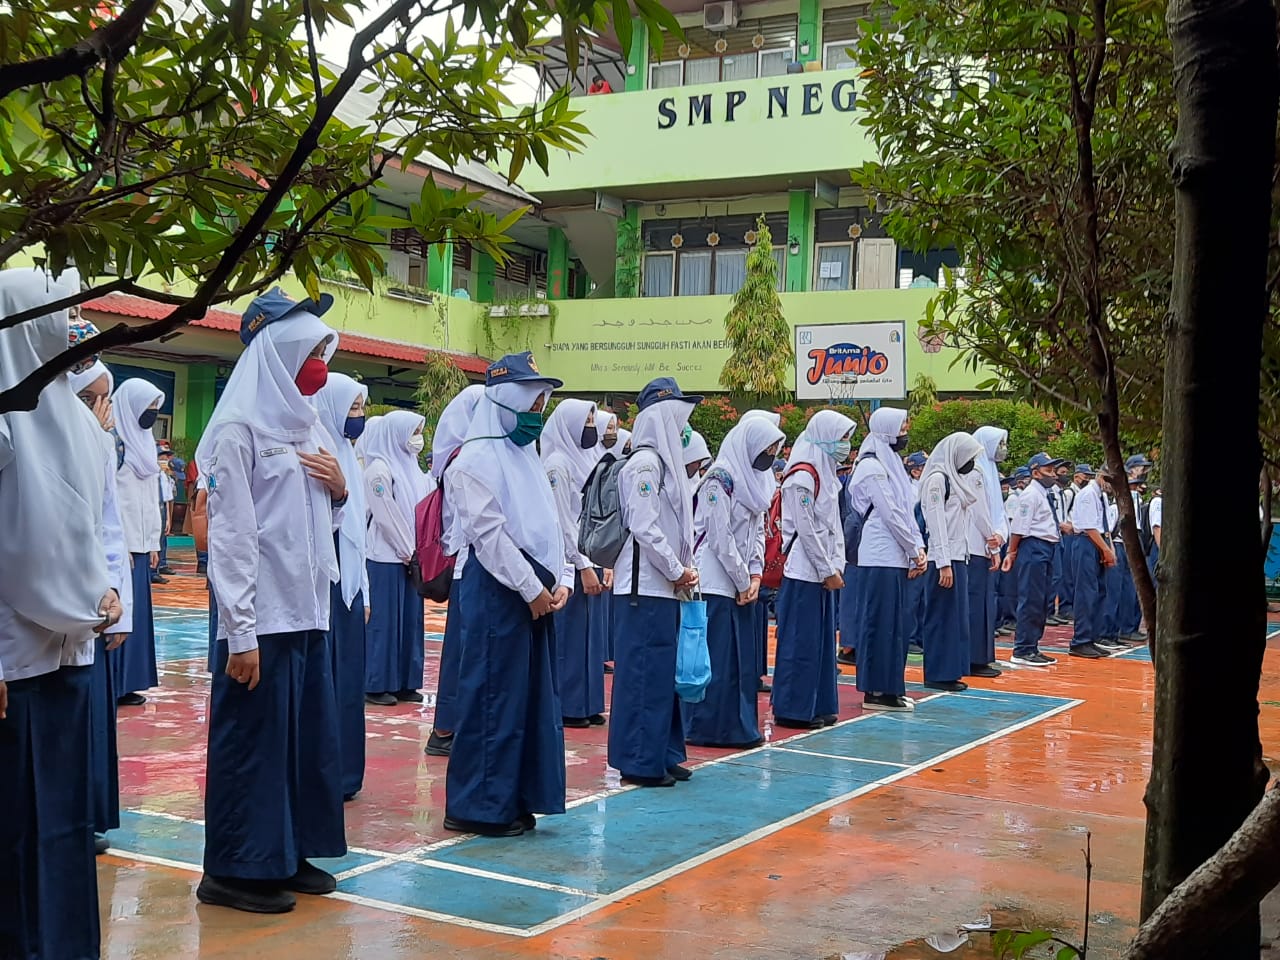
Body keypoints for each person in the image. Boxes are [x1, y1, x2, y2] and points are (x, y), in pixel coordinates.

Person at [195, 287, 348, 913]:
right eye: (310, 351)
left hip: (307, 612)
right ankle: (235, 869)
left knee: (302, 741)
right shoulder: (238, 431)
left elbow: (319, 520)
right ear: (279, 354)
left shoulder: (306, 424)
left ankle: (289, 851)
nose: (321, 365)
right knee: (251, 742)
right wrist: (241, 633)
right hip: (260, 619)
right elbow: (231, 537)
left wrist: (340, 492)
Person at [0, 268, 124, 960]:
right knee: (15, 833)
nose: (71, 327)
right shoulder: (3, 418)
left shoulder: (75, 419)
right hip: (12, 659)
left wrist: (107, 592)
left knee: (62, 828)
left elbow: (92, 527)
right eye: (57, 312)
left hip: (71, 649)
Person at [445, 351, 571, 835]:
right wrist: (531, 587)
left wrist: (556, 580)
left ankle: (514, 797)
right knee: (492, 694)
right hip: (501, 590)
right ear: (505, 400)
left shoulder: (524, 456)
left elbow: (547, 525)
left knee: (523, 698)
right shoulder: (475, 459)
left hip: (532, 590)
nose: (537, 412)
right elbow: (490, 536)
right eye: (532, 401)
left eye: (542, 402)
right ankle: (477, 805)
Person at [609, 377, 701, 787]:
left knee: (663, 673)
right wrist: (675, 568)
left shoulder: (665, 464)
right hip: (643, 587)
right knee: (645, 674)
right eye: (679, 418)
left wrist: (682, 570)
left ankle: (663, 752)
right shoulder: (646, 463)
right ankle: (639, 760)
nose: (684, 429)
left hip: (663, 586)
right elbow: (644, 526)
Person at [685, 415, 784, 747]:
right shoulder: (719, 480)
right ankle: (706, 726)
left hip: (742, 584)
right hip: (715, 582)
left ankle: (737, 725)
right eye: (768, 446)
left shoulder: (756, 483)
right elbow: (719, 538)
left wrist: (755, 573)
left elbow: (758, 531)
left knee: (739, 662)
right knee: (716, 658)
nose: (770, 453)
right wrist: (743, 579)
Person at [69, 356, 134, 855]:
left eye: (102, 399)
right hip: (59, 611)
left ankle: (85, 816)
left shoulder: (100, 446)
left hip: (95, 605)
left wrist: (119, 600)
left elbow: (112, 528)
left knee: (88, 722)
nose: (100, 410)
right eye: (88, 399)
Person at [770, 409, 854, 728]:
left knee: (819, 645)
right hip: (804, 573)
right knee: (799, 645)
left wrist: (836, 565)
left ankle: (817, 704)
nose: (846, 444)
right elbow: (806, 530)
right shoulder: (801, 477)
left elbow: (832, 526)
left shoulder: (826, 473)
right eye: (842, 437)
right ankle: (792, 708)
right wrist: (826, 569)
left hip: (823, 573)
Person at [313, 373, 372, 800]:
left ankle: (347, 774)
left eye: (362, 409)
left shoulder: (351, 458)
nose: (359, 417)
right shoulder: (320, 455)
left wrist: (365, 591)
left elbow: (360, 535)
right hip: (323, 584)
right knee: (324, 681)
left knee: (349, 682)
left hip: (349, 588)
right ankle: (323, 771)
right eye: (352, 409)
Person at [849, 408, 926, 711]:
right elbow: (890, 513)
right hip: (879, 554)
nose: (905, 430)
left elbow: (907, 512)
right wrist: (913, 549)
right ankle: (876, 690)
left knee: (895, 625)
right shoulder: (871, 466)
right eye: (902, 425)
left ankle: (892, 687)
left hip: (895, 556)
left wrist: (917, 548)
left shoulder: (892, 463)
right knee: (878, 624)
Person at [424, 385, 485, 759]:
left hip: (470, 562)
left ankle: (452, 724)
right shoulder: (465, 460)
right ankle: (446, 726)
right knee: (463, 651)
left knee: (464, 650)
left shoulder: (464, 457)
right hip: (468, 564)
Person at [541, 398, 608, 728]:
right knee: (569, 634)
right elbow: (562, 520)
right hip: (568, 561)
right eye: (587, 421)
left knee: (588, 635)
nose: (592, 428)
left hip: (588, 556)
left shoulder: (586, 458)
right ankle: (568, 704)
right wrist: (581, 564)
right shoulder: (556, 464)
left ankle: (587, 702)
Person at [361, 411, 432, 706]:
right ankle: (377, 683)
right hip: (385, 557)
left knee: (410, 621)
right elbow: (386, 515)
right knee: (384, 622)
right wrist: (407, 551)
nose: (417, 437)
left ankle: (406, 681)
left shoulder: (412, 469)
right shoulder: (379, 469)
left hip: (413, 558)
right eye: (413, 430)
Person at [919, 433, 997, 692]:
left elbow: (974, 514)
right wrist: (943, 562)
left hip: (958, 557)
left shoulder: (958, 482)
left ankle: (951, 670)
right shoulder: (937, 481)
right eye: (968, 456)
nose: (971, 462)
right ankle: (938, 673)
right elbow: (936, 523)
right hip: (944, 559)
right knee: (941, 617)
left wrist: (990, 538)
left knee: (955, 618)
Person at [111, 376, 165, 706]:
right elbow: (112, 502)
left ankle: (131, 680)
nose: (152, 414)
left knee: (138, 617)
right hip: (123, 548)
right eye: (149, 407)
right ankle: (114, 683)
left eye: (157, 408)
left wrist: (155, 543)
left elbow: (151, 499)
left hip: (144, 547)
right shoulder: (116, 446)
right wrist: (121, 544)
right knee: (119, 616)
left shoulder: (145, 444)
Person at [1004, 452, 1066, 667]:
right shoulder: (1030, 495)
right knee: (1031, 598)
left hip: (1047, 547)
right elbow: (1019, 527)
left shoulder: (1044, 494)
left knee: (1042, 599)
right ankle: (1023, 648)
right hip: (1034, 546)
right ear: (1035, 471)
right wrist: (1011, 552)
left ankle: (1032, 646)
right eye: (1048, 469)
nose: (1053, 473)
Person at [740, 409, 784, 693]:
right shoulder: (732, 475)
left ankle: (755, 672)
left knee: (755, 623)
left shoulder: (764, 475)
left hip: (758, 562)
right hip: (740, 566)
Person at [967, 427, 1008, 678]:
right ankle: (971, 658)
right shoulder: (974, 470)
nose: (1002, 448)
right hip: (973, 546)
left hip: (989, 545)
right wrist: (991, 541)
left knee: (985, 603)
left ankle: (983, 656)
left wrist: (1000, 536)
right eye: (999, 443)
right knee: (973, 604)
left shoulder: (991, 472)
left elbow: (998, 512)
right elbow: (978, 511)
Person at [1068, 465, 1119, 658]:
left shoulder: (1102, 496)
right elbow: (1089, 527)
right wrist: (1105, 549)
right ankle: (1080, 640)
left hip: (1099, 542)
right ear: (1101, 476)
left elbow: (1104, 525)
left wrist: (1109, 548)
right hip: (1086, 543)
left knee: (1099, 591)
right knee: (1086, 591)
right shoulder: (1088, 494)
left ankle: (1091, 637)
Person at [902, 450, 929, 657]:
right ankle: (909, 636)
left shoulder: (925, 487)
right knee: (911, 597)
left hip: (926, 542)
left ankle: (919, 635)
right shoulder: (908, 489)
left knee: (922, 596)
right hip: (913, 543)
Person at [155, 441, 177, 580]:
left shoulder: (166, 475)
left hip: (163, 508)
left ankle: (161, 564)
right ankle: (153, 569)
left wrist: (168, 518)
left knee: (163, 538)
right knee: (155, 538)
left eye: (166, 456)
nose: (164, 459)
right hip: (154, 506)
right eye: (161, 456)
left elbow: (168, 498)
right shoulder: (153, 473)